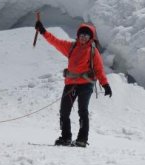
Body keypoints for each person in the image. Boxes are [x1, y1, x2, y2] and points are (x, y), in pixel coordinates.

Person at [35, 16, 112, 147]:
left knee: (83, 110)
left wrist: (105, 84)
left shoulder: (93, 51)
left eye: (86, 35)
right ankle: (66, 137)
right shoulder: (71, 47)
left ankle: (82, 139)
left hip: (86, 85)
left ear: (90, 37)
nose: (83, 37)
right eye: (81, 34)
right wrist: (43, 31)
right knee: (64, 111)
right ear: (78, 35)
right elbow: (55, 41)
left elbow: (99, 69)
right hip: (70, 84)